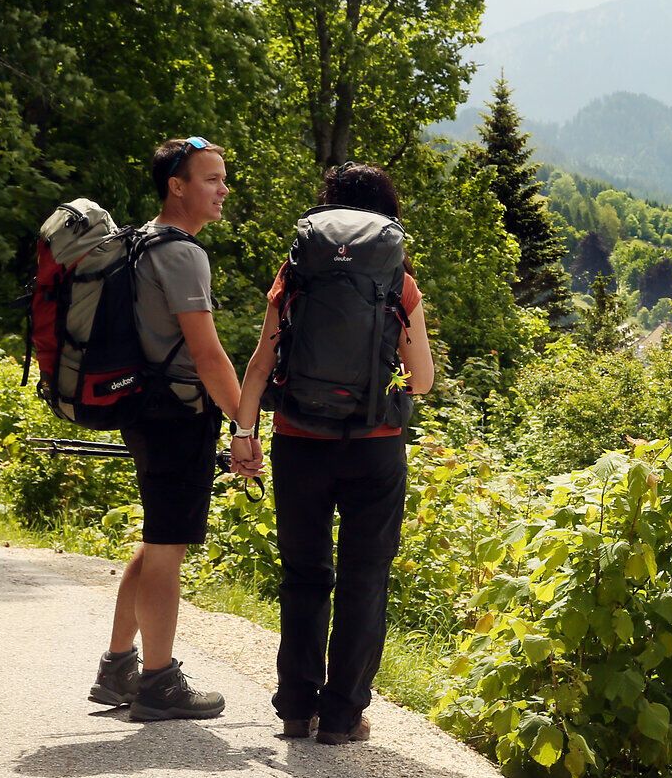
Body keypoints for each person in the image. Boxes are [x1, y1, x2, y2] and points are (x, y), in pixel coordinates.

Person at [234, 162, 434, 744]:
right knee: (364, 579)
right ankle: (343, 716)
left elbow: (263, 360)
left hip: (298, 441)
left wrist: (244, 431)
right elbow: (422, 380)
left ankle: (297, 708)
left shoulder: (297, 270)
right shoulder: (397, 279)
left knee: (304, 574)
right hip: (374, 448)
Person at [89, 136, 245, 721]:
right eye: (211, 179)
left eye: (223, 178)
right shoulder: (182, 253)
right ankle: (158, 682)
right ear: (176, 186)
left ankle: (118, 667)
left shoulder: (138, 241)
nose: (223, 189)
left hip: (142, 406)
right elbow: (207, 354)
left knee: (157, 540)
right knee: (166, 548)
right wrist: (245, 423)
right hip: (178, 414)